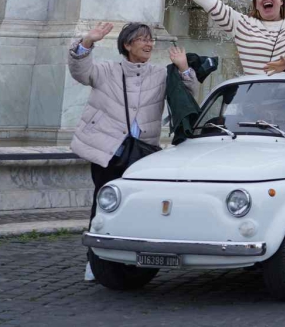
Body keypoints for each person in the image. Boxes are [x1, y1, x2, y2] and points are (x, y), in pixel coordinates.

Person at [68, 22, 198, 216]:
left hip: (143, 152)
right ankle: (97, 244)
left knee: (138, 207)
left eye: (150, 40)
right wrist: (87, 42)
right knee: (105, 204)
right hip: (109, 151)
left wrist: (184, 68)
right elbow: (80, 72)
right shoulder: (107, 70)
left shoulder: (160, 74)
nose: (149, 44)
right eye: (143, 39)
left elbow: (189, 96)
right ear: (127, 45)